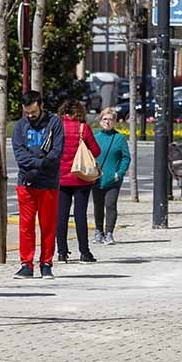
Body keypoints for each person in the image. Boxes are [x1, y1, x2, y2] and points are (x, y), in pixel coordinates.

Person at [12, 90, 65, 279]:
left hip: (48, 183)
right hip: (26, 182)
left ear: (41, 106)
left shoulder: (54, 123)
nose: (30, 116)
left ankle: (46, 263)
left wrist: (39, 164)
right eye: (27, 112)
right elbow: (19, 154)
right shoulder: (20, 126)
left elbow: (57, 152)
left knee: (48, 225)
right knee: (26, 225)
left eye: (33, 112)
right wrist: (39, 163)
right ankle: (26, 264)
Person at [55, 99, 101, 263]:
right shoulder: (83, 128)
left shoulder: (57, 127)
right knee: (80, 215)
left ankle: (62, 252)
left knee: (61, 215)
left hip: (61, 178)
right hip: (81, 177)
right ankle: (84, 252)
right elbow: (96, 150)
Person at [92, 107, 130, 245]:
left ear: (115, 122)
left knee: (110, 204)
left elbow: (126, 157)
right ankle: (98, 231)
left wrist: (119, 173)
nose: (107, 122)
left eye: (110, 119)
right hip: (96, 178)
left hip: (113, 179)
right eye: (104, 119)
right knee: (98, 205)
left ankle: (109, 233)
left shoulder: (119, 138)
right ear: (100, 121)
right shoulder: (95, 137)